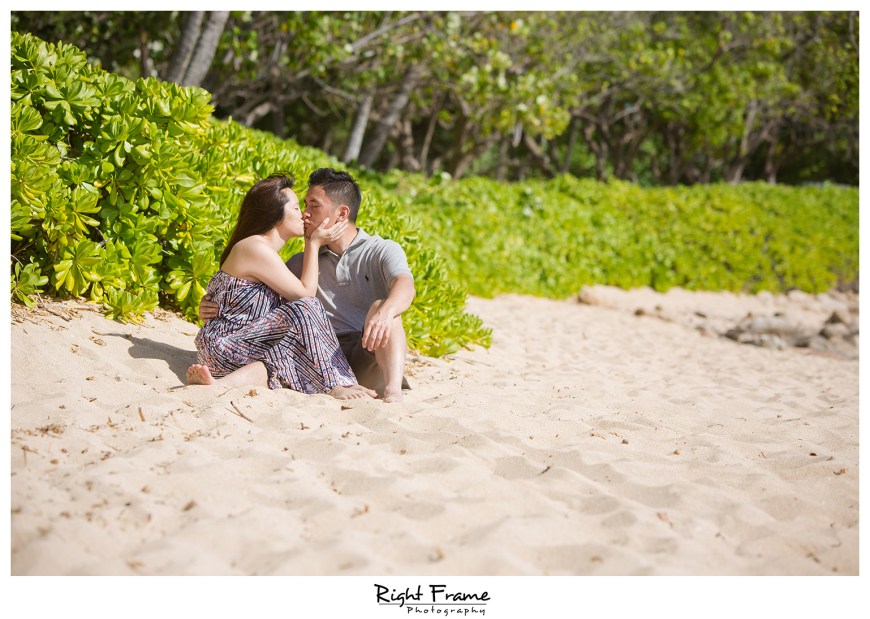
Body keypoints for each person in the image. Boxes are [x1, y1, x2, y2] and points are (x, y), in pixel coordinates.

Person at [200, 168, 415, 403]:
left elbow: (404, 285)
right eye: (300, 206)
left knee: (386, 308)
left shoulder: (380, 249)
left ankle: (393, 390)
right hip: (320, 358)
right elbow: (262, 297)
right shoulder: (300, 264)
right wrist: (213, 306)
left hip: (367, 349)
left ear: (342, 213)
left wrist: (386, 311)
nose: (305, 214)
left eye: (314, 206)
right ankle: (335, 383)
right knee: (285, 343)